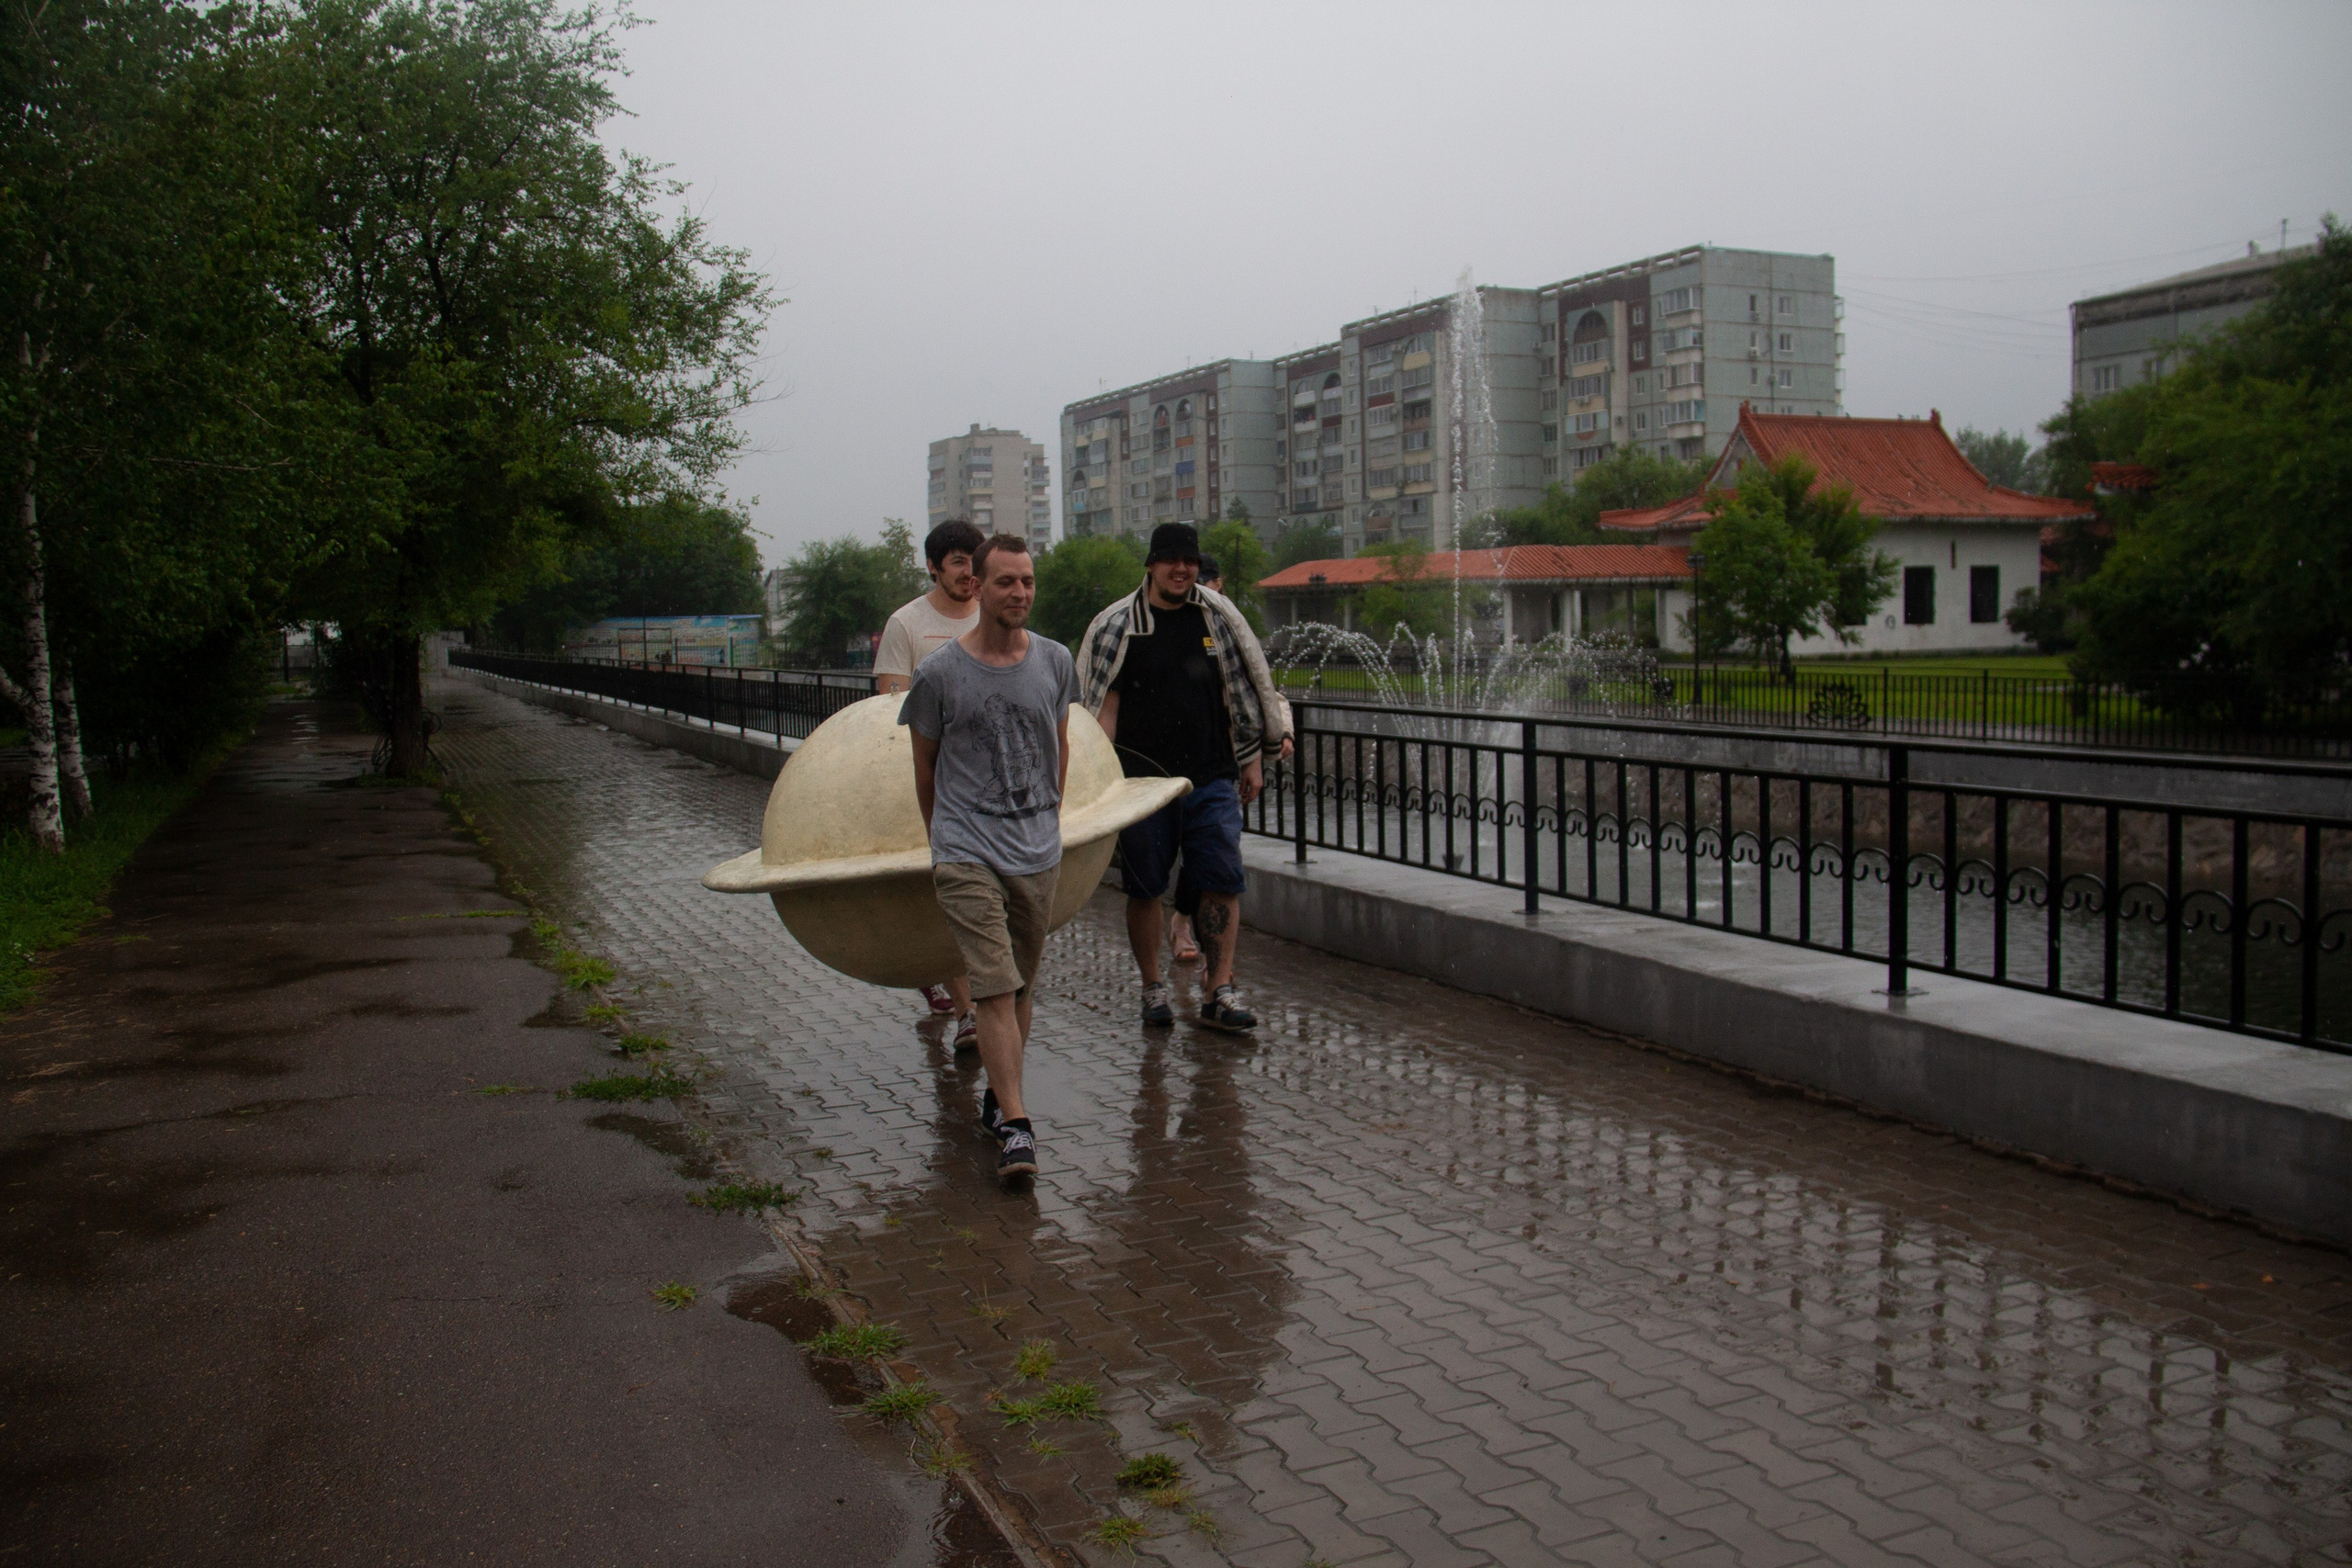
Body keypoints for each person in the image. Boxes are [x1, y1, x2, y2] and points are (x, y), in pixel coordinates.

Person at [900, 534, 1079, 1180]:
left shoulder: (1057, 662)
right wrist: (941, 838)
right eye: (1006, 581)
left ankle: (996, 1102)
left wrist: (1048, 820)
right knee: (996, 988)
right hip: (965, 850)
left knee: (1021, 987)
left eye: (1028, 580)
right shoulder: (940, 673)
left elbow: (1059, 746)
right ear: (978, 586)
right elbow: (924, 766)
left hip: (1035, 850)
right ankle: (1020, 1127)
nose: (1020, 593)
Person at [1079, 524, 1289, 1032]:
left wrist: (1251, 759)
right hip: (1142, 784)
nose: (1181, 569)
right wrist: (1092, 777)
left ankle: (1219, 988)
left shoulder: (1218, 618)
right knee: (1146, 887)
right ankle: (1153, 985)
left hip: (1211, 775)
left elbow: (1239, 693)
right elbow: (1103, 706)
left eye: (1189, 561)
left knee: (1222, 879)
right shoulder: (1118, 626)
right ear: (1150, 564)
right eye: (1170, 559)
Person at [876, 519, 985, 1044]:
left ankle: (979, 997)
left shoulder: (997, 613)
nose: (969, 572)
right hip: (936, 786)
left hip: (995, 790)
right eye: (958, 561)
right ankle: (968, 1013)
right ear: (934, 567)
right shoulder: (907, 625)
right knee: (952, 897)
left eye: (973, 560)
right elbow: (888, 712)